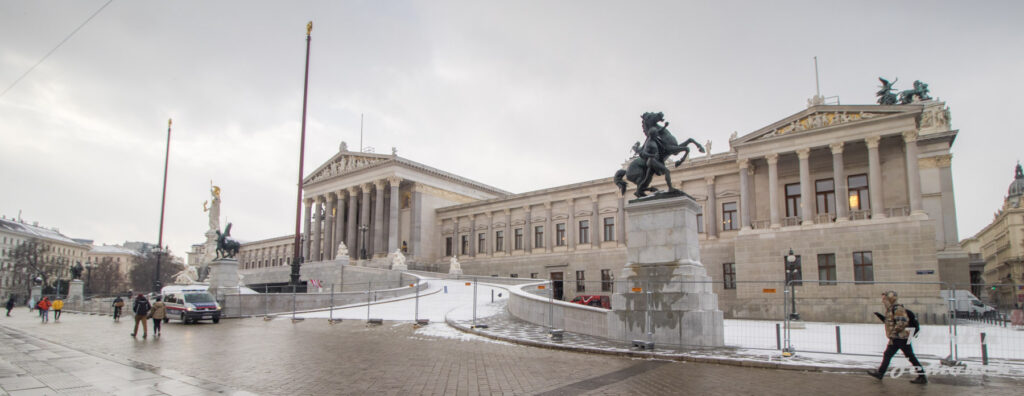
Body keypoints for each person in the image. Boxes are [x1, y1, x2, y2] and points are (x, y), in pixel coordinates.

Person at [867, 290, 927, 384]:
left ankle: (922, 376)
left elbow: (901, 323)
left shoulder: (897, 308)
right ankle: (880, 373)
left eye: (884, 299)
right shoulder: (891, 309)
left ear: (890, 299)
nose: (883, 301)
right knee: (888, 354)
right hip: (896, 338)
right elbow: (891, 323)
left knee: (910, 356)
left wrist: (893, 333)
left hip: (901, 338)